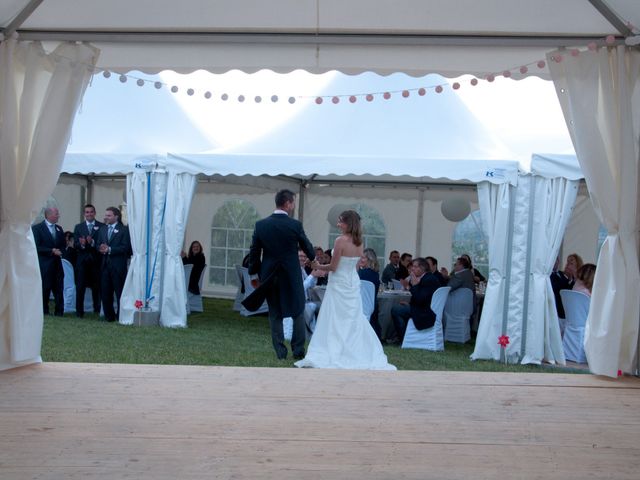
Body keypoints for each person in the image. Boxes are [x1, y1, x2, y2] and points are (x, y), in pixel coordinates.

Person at [295, 210, 395, 370]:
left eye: (340, 221)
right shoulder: (359, 242)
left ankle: (335, 351)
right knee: (352, 318)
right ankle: (353, 351)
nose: (338, 224)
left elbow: (333, 267)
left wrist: (316, 266)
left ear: (348, 224)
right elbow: (355, 267)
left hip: (338, 284)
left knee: (334, 317)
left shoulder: (340, 240)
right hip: (351, 283)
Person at [242, 189, 316, 360]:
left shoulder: (261, 225)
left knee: (274, 312)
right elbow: (306, 246)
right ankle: (298, 350)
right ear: (288, 203)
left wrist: (254, 273)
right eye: (293, 202)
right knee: (297, 309)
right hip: (291, 274)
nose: (294, 206)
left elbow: (254, 251)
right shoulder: (294, 225)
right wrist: (313, 258)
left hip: (270, 275)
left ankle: (280, 352)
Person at [390, 257, 441, 345]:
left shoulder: (429, 280)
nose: (412, 269)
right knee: (400, 307)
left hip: (425, 312)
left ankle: (402, 339)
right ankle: (404, 337)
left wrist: (414, 286)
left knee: (396, 310)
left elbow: (420, 299)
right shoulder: (425, 278)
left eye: (414, 266)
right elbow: (421, 298)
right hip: (423, 307)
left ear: (422, 268)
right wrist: (409, 304)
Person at [97, 206, 132, 322]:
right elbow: (98, 244)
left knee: (119, 293)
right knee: (105, 293)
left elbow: (126, 247)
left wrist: (110, 249)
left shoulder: (124, 230)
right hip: (105, 266)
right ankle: (109, 316)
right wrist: (100, 248)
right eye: (106, 215)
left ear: (116, 217)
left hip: (118, 266)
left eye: (109, 215)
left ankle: (120, 316)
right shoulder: (102, 229)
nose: (106, 217)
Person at [32, 207, 66, 316]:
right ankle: (44, 310)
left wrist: (61, 251)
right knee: (45, 288)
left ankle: (59, 311)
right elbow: (36, 247)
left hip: (57, 265)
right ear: (49, 215)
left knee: (59, 288)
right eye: (56, 213)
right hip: (45, 265)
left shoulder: (59, 229)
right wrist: (51, 251)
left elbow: (62, 245)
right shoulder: (37, 228)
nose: (58, 215)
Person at [73, 204, 104, 317]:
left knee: (97, 286)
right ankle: (79, 311)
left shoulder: (101, 226)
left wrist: (92, 242)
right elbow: (75, 244)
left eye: (91, 212)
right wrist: (81, 244)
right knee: (80, 286)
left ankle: (97, 308)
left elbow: (102, 242)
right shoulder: (78, 227)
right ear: (84, 214)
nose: (89, 214)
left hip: (96, 261)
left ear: (95, 213)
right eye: (87, 212)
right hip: (82, 262)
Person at [357, 247, 382, 339]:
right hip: (372, 308)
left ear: (370, 260)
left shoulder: (360, 273)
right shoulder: (376, 274)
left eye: (363, 258)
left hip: (359, 306)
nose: (360, 259)